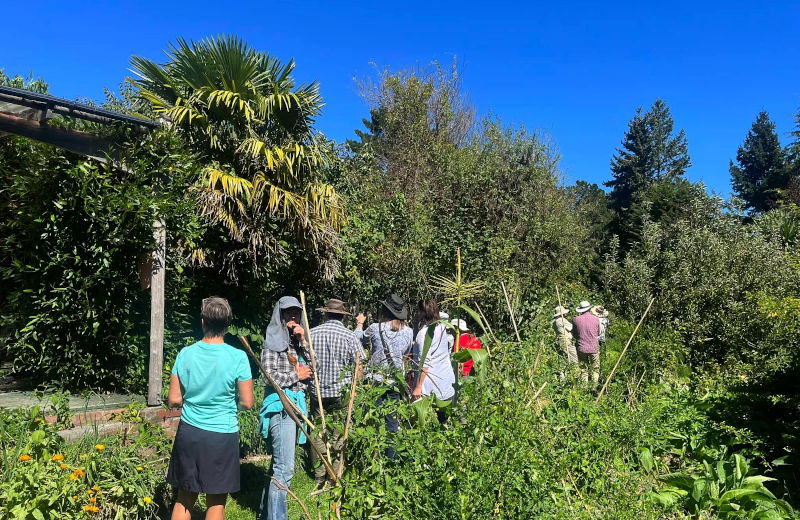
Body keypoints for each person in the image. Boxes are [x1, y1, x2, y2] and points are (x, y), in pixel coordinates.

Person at [166, 297, 254, 520]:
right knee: (216, 502)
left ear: (203, 321)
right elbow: (247, 402)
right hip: (222, 435)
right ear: (227, 324)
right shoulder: (238, 357)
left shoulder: (185, 353)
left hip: (190, 433)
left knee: (184, 498)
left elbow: (174, 399)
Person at [258, 296, 313, 520]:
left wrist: (305, 343)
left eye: (296, 313)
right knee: (285, 469)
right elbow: (268, 376)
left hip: (295, 408)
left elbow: (313, 370)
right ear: (279, 316)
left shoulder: (296, 344)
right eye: (288, 313)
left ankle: (266, 515)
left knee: (277, 466)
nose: (293, 317)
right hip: (281, 409)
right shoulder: (272, 343)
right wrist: (295, 375)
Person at [307, 298, 365, 487]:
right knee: (339, 432)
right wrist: (356, 390)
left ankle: (320, 474)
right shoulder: (350, 336)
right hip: (341, 392)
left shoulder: (312, 333)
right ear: (342, 316)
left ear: (326, 314)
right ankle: (336, 474)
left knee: (318, 432)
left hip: (318, 391)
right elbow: (359, 365)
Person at [355, 294, 413, 458]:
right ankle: (391, 458)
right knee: (392, 422)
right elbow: (406, 352)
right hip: (395, 381)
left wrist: (359, 323)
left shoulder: (374, 328)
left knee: (370, 418)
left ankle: (368, 457)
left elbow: (357, 339)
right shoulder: (408, 332)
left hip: (375, 381)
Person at [412, 300, 456, 423]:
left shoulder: (424, 335)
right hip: (446, 382)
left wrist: (418, 387)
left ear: (421, 313)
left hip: (431, 386)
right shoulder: (442, 328)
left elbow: (424, 364)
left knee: (426, 424)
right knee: (444, 423)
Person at [572, 300, 601, 389]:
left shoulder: (576, 319)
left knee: (584, 368)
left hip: (581, 347)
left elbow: (574, 334)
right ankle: (594, 387)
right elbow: (598, 333)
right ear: (589, 309)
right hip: (594, 347)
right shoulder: (596, 319)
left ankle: (584, 387)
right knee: (595, 368)